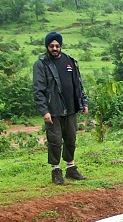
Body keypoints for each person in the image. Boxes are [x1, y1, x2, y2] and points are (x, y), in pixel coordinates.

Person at [33, 31, 88, 185]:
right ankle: (55, 170)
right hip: (53, 109)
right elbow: (38, 89)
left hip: (71, 107)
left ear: (61, 46)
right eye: (51, 46)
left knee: (71, 138)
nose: (55, 48)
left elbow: (78, 83)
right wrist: (44, 110)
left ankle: (71, 168)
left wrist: (83, 102)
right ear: (47, 47)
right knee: (55, 140)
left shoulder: (70, 61)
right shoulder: (41, 64)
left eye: (57, 45)